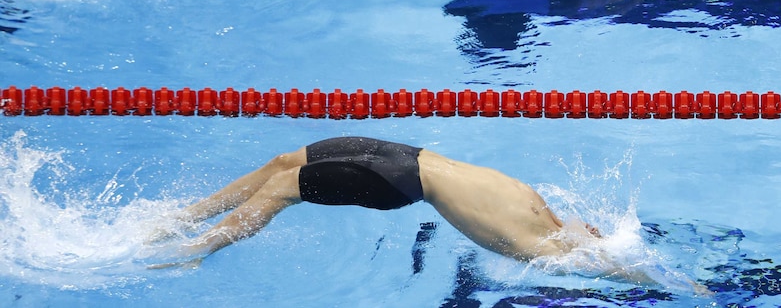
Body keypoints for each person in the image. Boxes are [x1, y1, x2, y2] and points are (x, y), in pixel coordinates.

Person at [154, 136, 666, 286]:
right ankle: (188, 216)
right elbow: (592, 241)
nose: (590, 226)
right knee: (283, 159)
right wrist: (591, 237)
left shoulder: (528, 244)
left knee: (284, 187)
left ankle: (198, 249)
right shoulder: (546, 215)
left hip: (399, 179)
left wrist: (659, 285)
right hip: (409, 156)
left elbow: (604, 265)